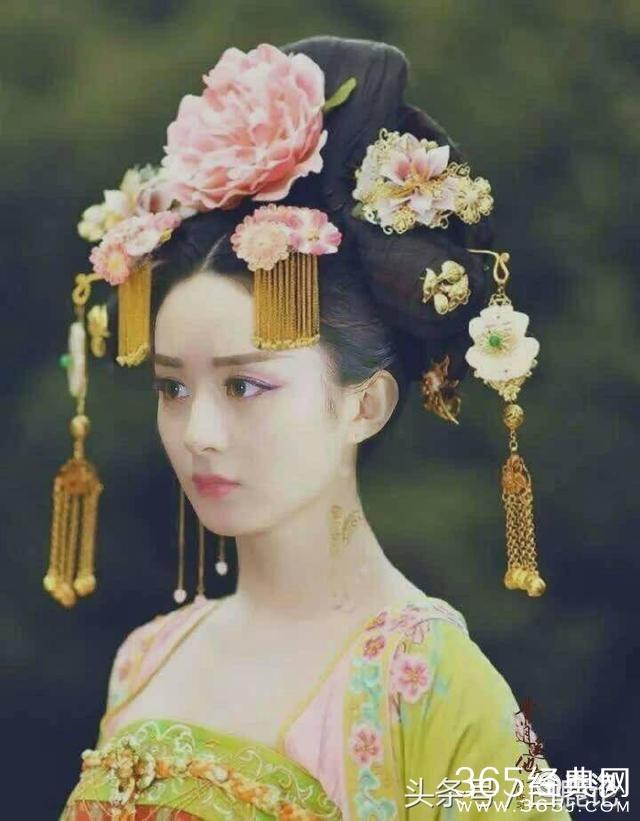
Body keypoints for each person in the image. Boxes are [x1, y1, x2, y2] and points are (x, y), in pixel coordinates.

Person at [55, 35, 571, 820]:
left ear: (365, 405)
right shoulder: (145, 658)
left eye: (244, 385)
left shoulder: (431, 682)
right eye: (172, 387)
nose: (198, 432)